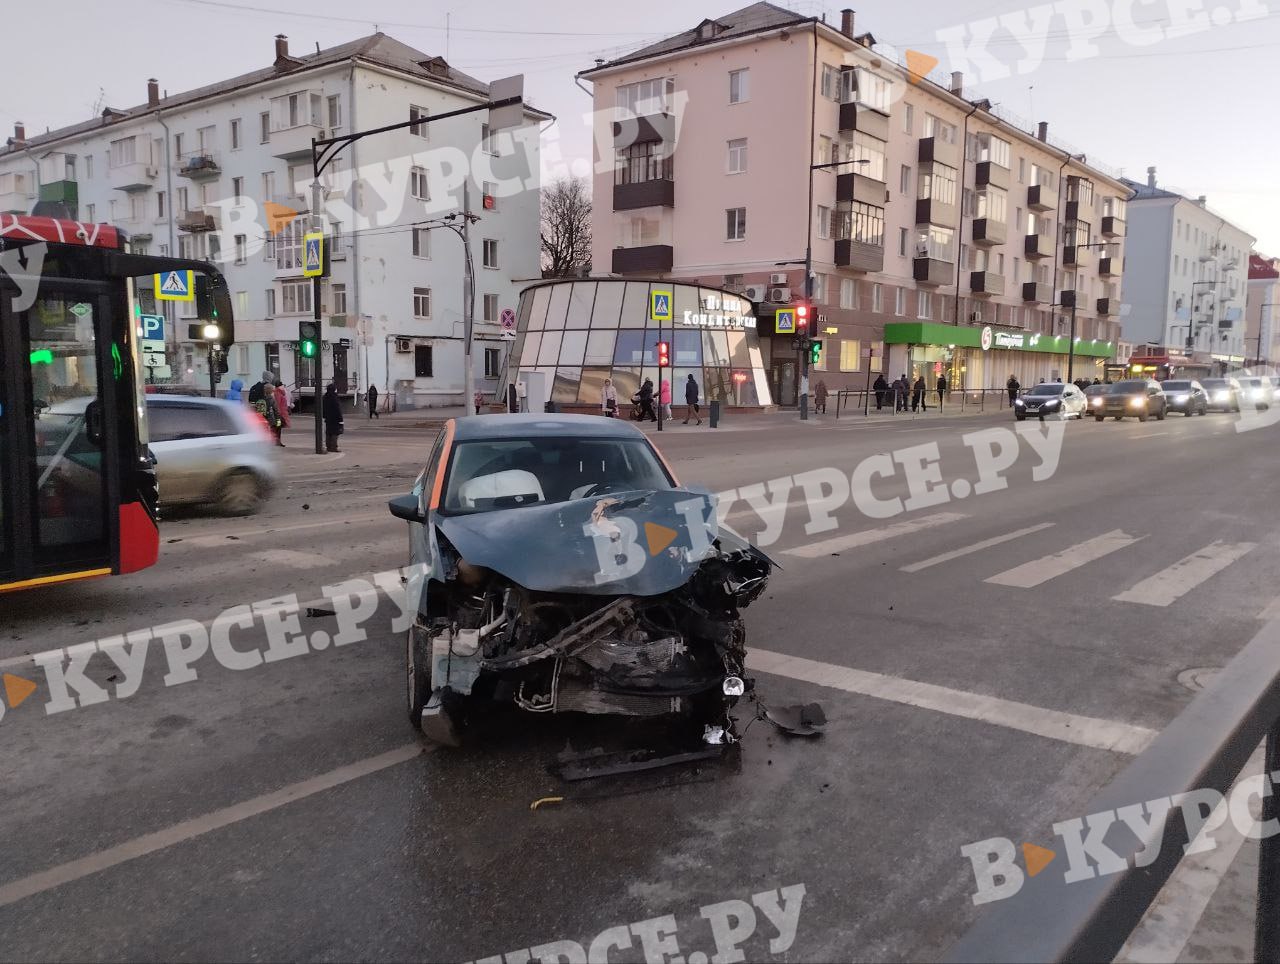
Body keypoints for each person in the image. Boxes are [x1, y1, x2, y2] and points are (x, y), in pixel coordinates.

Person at [322, 383, 344, 452]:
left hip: (328, 418)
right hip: (335, 418)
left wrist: (325, 415)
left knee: (328, 432)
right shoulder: (335, 397)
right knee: (335, 433)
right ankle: (334, 447)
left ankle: (328, 447)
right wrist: (341, 419)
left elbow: (323, 408)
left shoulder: (325, 397)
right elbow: (338, 409)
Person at [273, 380, 291, 447]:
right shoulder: (277, 393)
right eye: (282, 385)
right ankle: (277, 442)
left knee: (278, 428)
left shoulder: (280, 393)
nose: (283, 386)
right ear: (279, 386)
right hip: (279, 415)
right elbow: (277, 404)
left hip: (281, 414)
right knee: (278, 428)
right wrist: (278, 414)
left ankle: (278, 441)